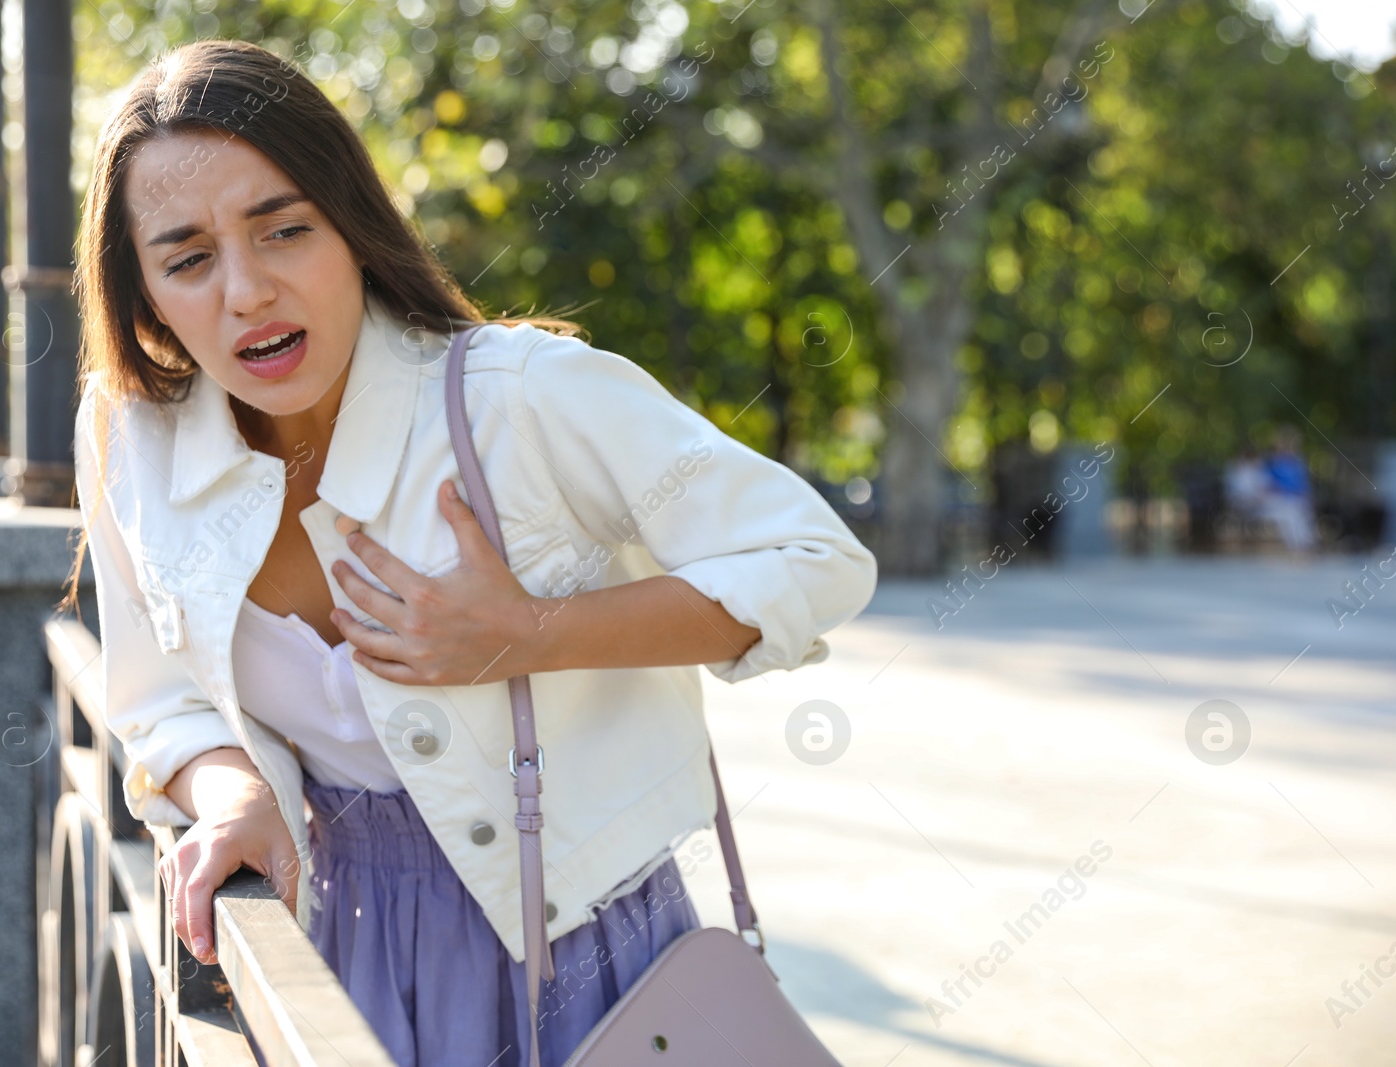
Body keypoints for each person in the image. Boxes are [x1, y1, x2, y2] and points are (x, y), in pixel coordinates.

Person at [59, 39, 876, 1067]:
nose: (246, 290)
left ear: (350, 225)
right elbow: (155, 692)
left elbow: (812, 555)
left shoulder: (517, 395)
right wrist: (237, 792)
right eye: (187, 258)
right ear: (143, 295)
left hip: (587, 969)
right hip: (323, 965)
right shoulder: (127, 436)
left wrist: (533, 634)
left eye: (285, 230)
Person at [1260, 425, 1316, 554]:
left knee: (1300, 512)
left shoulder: (1298, 463)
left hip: (1297, 499)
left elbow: (1303, 485)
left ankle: (1304, 546)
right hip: (1279, 500)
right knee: (1291, 514)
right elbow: (1266, 484)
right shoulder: (1272, 462)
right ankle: (1299, 546)